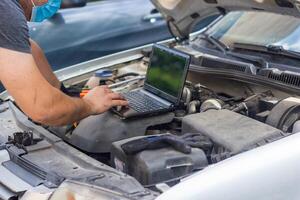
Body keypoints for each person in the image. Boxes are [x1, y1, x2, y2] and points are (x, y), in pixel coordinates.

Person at [0, 0, 128, 126]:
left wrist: (66, 95)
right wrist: (90, 104)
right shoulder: (6, 11)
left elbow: (27, 46)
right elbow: (45, 110)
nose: (56, 3)